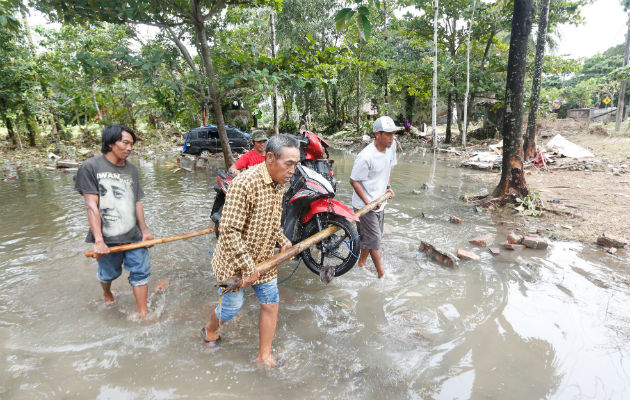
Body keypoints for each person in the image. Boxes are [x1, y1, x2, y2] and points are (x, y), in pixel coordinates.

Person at [201, 134, 300, 368]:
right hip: (236, 263)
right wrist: (247, 267)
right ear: (270, 158)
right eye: (289, 164)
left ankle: (264, 356)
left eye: (296, 164)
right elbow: (229, 230)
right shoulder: (245, 183)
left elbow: (272, 222)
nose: (293, 171)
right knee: (230, 309)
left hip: (264, 260)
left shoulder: (280, 185)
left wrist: (283, 241)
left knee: (271, 303)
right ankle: (209, 329)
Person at [75, 125, 154, 318]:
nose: (129, 148)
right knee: (108, 274)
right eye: (125, 142)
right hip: (108, 237)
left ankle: (143, 314)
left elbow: (136, 202)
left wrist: (145, 232)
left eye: (132, 144)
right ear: (110, 143)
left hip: (133, 235)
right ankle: (107, 292)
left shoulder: (132, 170)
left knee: (140, 273)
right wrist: (99, 241)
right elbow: (91, 206)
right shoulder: (90, 167)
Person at [349, 116, 398, 279]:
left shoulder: (392, 147)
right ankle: (381, 275)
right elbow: (354, 180)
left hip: (379, 202)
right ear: (377, 134)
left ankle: (361, 263)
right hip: (365, 206)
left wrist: (388, 188)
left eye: (393, 134)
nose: (392, 138)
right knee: (375, 240)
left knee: (370, 239)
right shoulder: (365, 157)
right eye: (389, 134)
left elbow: (388, 167)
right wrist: (368, 202)